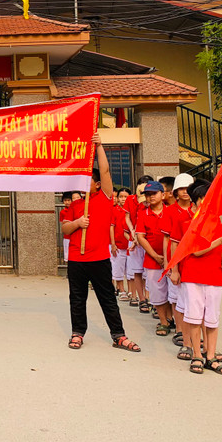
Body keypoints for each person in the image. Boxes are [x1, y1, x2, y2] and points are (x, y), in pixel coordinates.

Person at [62, 134, 140, 352]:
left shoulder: (105, 197)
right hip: (77, 259)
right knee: (77, 299)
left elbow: (105, 171)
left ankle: (118, 335)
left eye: (88, 180)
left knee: (107, 298)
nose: (83, 184)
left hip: (99, 258)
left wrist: (99, 146)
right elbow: (65, 228)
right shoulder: (76, 204)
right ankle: (77, 332)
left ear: (97, 184)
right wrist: (78, 222)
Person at [181, 181, 222, 375]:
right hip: (193, 276)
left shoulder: (219, 225)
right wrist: (219, 240)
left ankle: (210, 356)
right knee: (194, 318)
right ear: (196, 202)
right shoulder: (190, 225)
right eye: (204, 200)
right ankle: (196, 355)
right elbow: (197, 252)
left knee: (212, 319)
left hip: (214, 277)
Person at [136, 181, 173, 337]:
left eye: (154, 194)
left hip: (172, 259)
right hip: (152, 259)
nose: (150, 197)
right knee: (157, 293)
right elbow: (141, 237)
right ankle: (164, 322)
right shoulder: (143, 214)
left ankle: (173, 320)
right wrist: (156, 256)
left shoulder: (171, 211)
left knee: (173, 292)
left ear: (162, 195)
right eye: (148, 194)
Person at [163, 173, 194, 355]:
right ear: (175, 192)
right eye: (181, 189)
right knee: (176, 298)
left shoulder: (197, 210)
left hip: (193, 259)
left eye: (188, 189)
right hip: (175, 259)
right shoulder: (170, 211)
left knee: (191, 299)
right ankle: (180, 331)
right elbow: (167, 238)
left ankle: (193, 332)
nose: (185, 192)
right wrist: (168, 263)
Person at [125, 179, 152, 310]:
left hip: (149, 239)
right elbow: (128, 217)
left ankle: (149, 297)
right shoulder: (131, 200)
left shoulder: (154, 201)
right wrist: (133, 232)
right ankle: (142, 299)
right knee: (137, 271)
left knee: (150, 271)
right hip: (135, 238)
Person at [110, 188, 130, 298]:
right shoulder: (115, 210)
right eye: (120, 197)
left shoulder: (132, 211)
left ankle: (131, 291)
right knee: (118, 268)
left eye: (125, 197)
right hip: (118, 245)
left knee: (130, 270)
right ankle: (121, 289)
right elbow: (111, 227)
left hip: (130, 245)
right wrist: (113, 243)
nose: (123, 199)